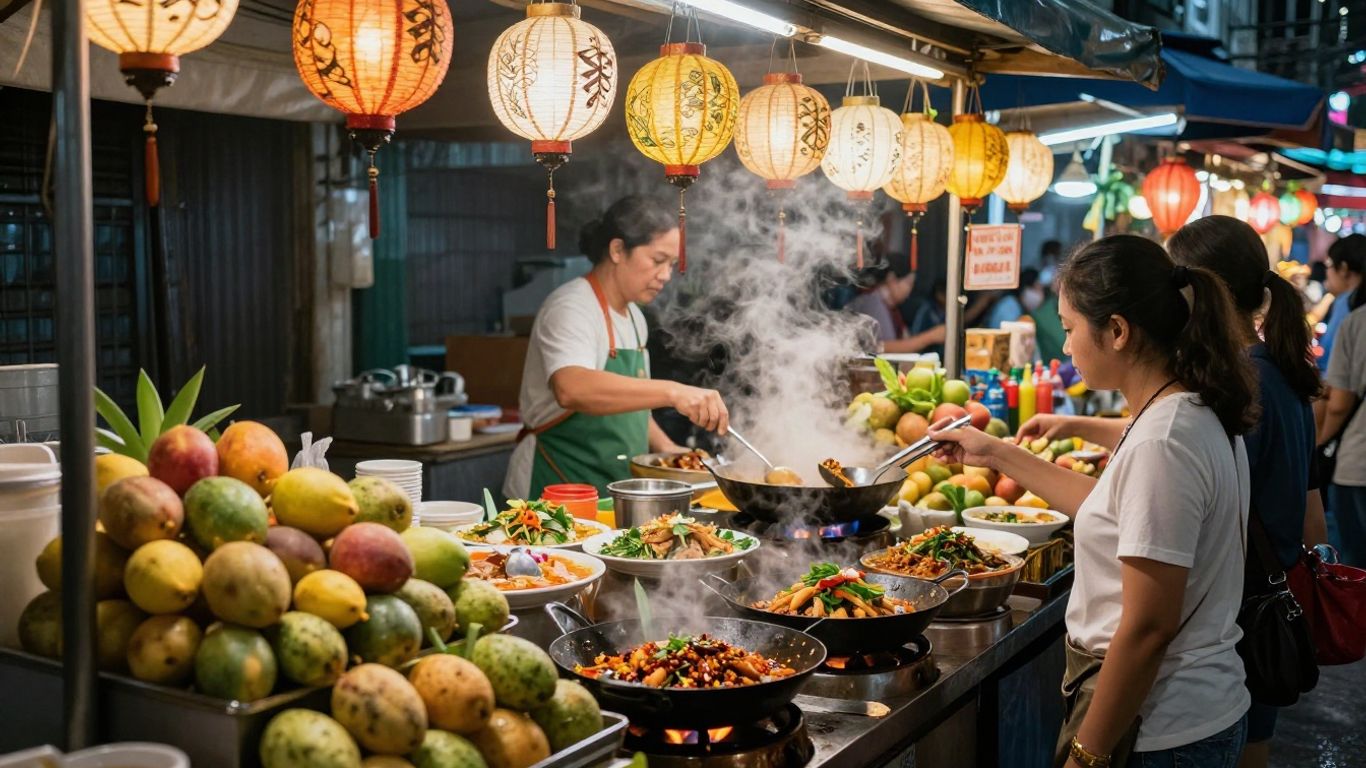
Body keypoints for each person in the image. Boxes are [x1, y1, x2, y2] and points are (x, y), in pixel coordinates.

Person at [931, 234, 1257, 768]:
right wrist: (994, 452)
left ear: (1118, 331)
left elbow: (1149, 628)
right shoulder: (1181, 409)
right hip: (1174, 715)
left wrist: (1088, 753)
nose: (1065, 348)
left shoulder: (1164, 440)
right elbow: (1109, 510)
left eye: (1070, 329)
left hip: (1158, 728)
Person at [1169, 216, 1326, 768]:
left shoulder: (1240, 385)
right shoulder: (1280, 369)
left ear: (1200, 289)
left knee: (1241, 746)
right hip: (1276, 591)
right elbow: (1312, 509)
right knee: (1256, 739)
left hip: (1242, 602)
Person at [503, 195, 729, 500]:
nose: (665, 275)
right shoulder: (572, 306)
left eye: (671, 264)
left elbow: (629, 404)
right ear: (618, 250)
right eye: (657, 260)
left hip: (612, 484)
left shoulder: (634, 315)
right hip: (556, 484)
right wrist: (674, 392)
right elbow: (571, 387)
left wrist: (667, 448)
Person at [1321, 283, 1366, 566]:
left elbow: (1339, 404)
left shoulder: (1356, 321)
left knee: (1355, 563)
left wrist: (1319, 442)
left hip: (1359, 462)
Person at [847, 265, 945, 353]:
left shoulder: (892, 308)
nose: (909, 291)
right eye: (908, 283)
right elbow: (884, 347)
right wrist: (931, 337)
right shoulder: (873, 302)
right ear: (892, 279)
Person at [1318, 235, 1364, 373]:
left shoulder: (1346, 303)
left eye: (1328, 265)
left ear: (1343, 268)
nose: (1327, 272)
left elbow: (1327, 357)